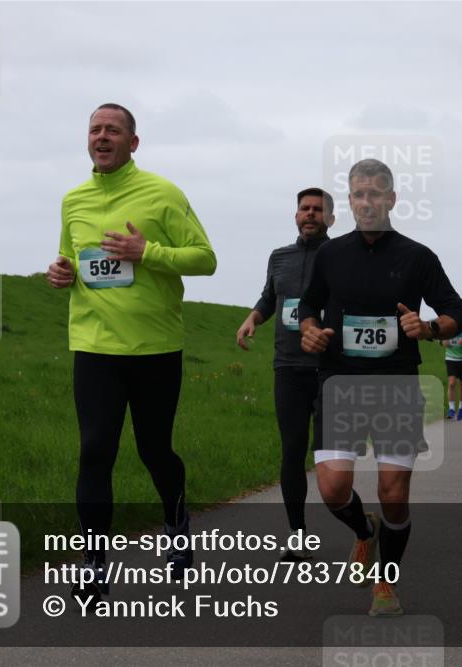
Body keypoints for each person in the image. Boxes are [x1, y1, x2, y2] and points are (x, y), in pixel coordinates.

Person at [46, 103, 216, 606]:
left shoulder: (162, 194)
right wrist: (62, 273)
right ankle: (95, 564)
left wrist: (149, 254)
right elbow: (70, 259)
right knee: (95, 449)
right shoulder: (73, 200)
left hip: (155, 347)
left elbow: (205, 258)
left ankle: (176, 520)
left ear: (132, 143)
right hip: (94, 346)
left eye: (113, 130)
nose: (102, 137)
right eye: (95, 130)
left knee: (153, 450)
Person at [299, 159, 462, 616]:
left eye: (376, 194)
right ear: (350, 201)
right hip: (339, 382)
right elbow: (308, 307)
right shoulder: (331, 255)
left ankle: (386, 584)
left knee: (394, 493)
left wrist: (429, 328)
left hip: (395, 384)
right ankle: (363, 530)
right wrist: (309, 330)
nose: (367, 202)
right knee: (334, 488)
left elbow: (460, 314)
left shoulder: (416, 256)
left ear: (392, 199)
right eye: (359, 195)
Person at [235, 187, 334, 560]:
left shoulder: (341, 256)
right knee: (291, 451)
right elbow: (269, 297)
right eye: (304, 209)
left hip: (329, 371)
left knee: (329, 459)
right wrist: (253, 319)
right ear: (295, 216)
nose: (310, 214)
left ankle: (357, 523)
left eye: (317, 209)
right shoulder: (280, 257)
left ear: (330, 218)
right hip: (289, 367)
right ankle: (298, 534)